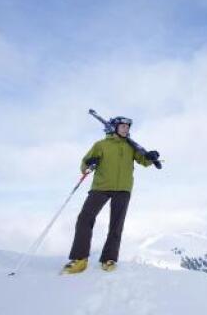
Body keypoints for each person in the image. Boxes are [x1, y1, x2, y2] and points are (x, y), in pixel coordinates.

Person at [61, 116, 160, 274]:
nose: (126, 129)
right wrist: (90, 163)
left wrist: (150, 157)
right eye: (123, 126)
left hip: (123, 189)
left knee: (116, 224)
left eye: (128, 127)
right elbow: (85, 164)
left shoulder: (130, 146)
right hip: (101, 187)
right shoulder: (101, 145)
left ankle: (109, 258)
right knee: (85, 218)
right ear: (114, 127)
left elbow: (143, 160)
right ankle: (80, 259)